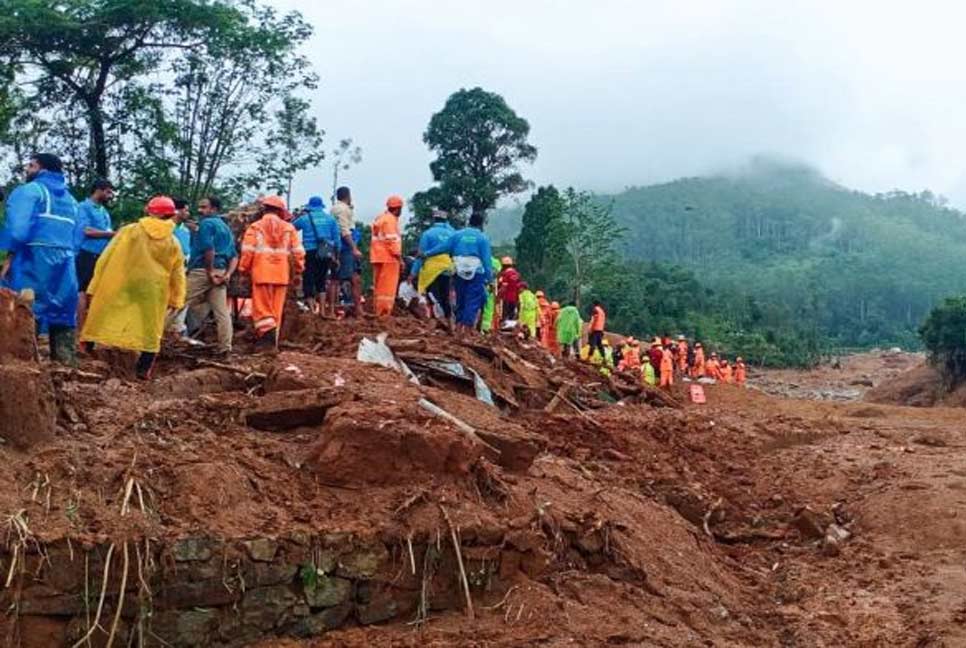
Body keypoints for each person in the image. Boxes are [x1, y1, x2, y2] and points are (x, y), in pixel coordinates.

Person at [80, 196, 186, 379]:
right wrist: (177, 298)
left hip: (123, 282)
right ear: (170, 215)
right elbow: (178, 273)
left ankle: (86, 347)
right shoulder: (173, 242)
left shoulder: (129, 231)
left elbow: (106, 257)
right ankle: (143, 370)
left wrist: (95, 285)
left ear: (149, 211)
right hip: (153, 289)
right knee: (152, 328)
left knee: (101, 312)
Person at [0, 153, 83, 365]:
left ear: (42, 169)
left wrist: (9, 255)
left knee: (25, 307)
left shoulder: (29, 191)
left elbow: (17, 230)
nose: (27, 169)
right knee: (63, 313)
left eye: (31, 165)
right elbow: (78, 236)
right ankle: (66, 365)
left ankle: (21, 364)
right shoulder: (72, 201)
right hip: (66, 261)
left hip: (33, 257)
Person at [238, 195, 305, 348]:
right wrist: (299, 271)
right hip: (281, 276)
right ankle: (272, 344)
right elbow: (298, 253)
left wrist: (243, 270)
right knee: (276, 311)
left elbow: (248, 251)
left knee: (262, 310)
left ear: (264, 209)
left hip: (261, 273)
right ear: (280, 211)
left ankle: (265, 341)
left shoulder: (255, 227)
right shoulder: (289, 228)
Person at [420, 210, 493, 334]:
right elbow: (486, 260)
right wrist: (490, 278)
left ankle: (458, 328)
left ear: (469, 222)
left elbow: (443, 247)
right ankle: (468, 330)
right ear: (481, 225)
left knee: (460, 299)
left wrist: (426, 254)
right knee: (473, 301)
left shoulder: (457, 235)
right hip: (476, 272)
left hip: (458, 270)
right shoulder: (483, 238)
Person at [186, 196, 237, 356]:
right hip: (221, 272)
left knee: (177, 302)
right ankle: (225, 348)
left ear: (214, 209)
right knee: (221, 312)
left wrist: (209, 273)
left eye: (204, 207)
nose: (200, 210)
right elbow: (234, 256)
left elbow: (209, 250)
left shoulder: (206, 224)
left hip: (203, 271)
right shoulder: (225, 227)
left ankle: (163, 339)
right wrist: (228, 274)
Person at [75, 179, 115, 332]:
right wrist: (113, 234)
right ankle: (80, 330)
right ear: (99, 190)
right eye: (108, 192)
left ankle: (92, 329)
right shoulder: (83, 207)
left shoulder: (103, 211)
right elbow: (87, 231)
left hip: (101, 255)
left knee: (95, 291)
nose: (110, 196)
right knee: (82, 291)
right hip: (86, 253)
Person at [293, 196, 341, 317]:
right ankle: (323, 312)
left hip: (309, 250)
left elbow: (290, 228)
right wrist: (336, 256)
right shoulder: (330, 219)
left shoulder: (304, 219)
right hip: (326, 251)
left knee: (308, 278)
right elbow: (337, 239)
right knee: (322, 279)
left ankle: (312, 309)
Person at [411, 210, 455, 321]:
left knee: (431, 295)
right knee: (445, 296)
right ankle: (449, 320)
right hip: (447, 268)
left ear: (434, 220)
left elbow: (421, 255)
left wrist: (413, 272)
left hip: (431, 270)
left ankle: (436, 319)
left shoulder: (428, 234)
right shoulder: (452, 234)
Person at [370, 195, 404, 317]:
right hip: (389, 258)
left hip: (377, 256)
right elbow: (392, 241)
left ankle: (377, 310)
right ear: (398, 208)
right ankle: (384, 312)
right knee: (387, 288)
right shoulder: (390, 221)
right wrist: (399, 259)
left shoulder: (380, 218)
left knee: (378, 286)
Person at [165, 198, 194, 340]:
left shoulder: (185, 230)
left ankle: (177, 329)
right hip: (167, 270)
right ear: (177, 210)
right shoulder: (165, 228)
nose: (187, 213)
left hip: (182, 268)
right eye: (186, 210)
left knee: (181, 296)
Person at [331, 186, 363, 316]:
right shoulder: (342, 210)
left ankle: (334, 309)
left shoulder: (336, 208)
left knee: (336, 279)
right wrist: (354, 248)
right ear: (348, 195)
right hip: (346, 247)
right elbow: (345, 231)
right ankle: (358, 310)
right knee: (352, 278)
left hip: (341, 246)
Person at [497, 257, 522, 322]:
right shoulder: (517, 274)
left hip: (506, 299)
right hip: (515, 299)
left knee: (504, 317)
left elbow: (503, 287)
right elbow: (520, 288)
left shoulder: (505, 274)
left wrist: (498, 297)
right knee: (511, 317)